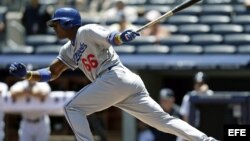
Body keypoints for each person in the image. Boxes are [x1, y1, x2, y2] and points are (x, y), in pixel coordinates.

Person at [9, 7, 217, 141]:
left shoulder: (86, 31)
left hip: (114, 76)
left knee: (72, 107)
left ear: (67, 23)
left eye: (56, 24)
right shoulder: (67, 50)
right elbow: (52, 73)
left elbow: (112, 37)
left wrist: (121, 37)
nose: (54, 28)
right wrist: (28, 74)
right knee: (163, 122)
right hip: (120, 84)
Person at [9, 65, 51, 141]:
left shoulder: (41, 83)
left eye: (30, 73)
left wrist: (28, 91)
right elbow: (12, 92)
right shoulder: (21, 84)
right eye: (27, 73)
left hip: (41, 121)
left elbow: (44, 93)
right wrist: (28, 91)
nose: (29, 76)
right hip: (26, 122)